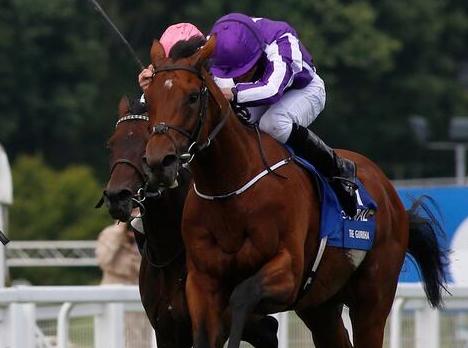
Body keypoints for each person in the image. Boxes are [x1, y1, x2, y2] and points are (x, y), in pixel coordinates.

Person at [138, 17, 359, 216]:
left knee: (273, 124)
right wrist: (149, 88)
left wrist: (233, 92)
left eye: (242, 70)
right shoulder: (213, 43)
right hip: (250, 93)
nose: (237, 77)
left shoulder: (282, 41)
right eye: (230, 72)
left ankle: (336, 167)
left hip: (299, 91)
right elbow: (177, 83)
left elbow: (273, 91)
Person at [96, 221, 149, 348]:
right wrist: (119, 231)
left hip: (137, 302)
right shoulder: (110, 234)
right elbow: (104, 259)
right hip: (114, 300)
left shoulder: (142, 235)